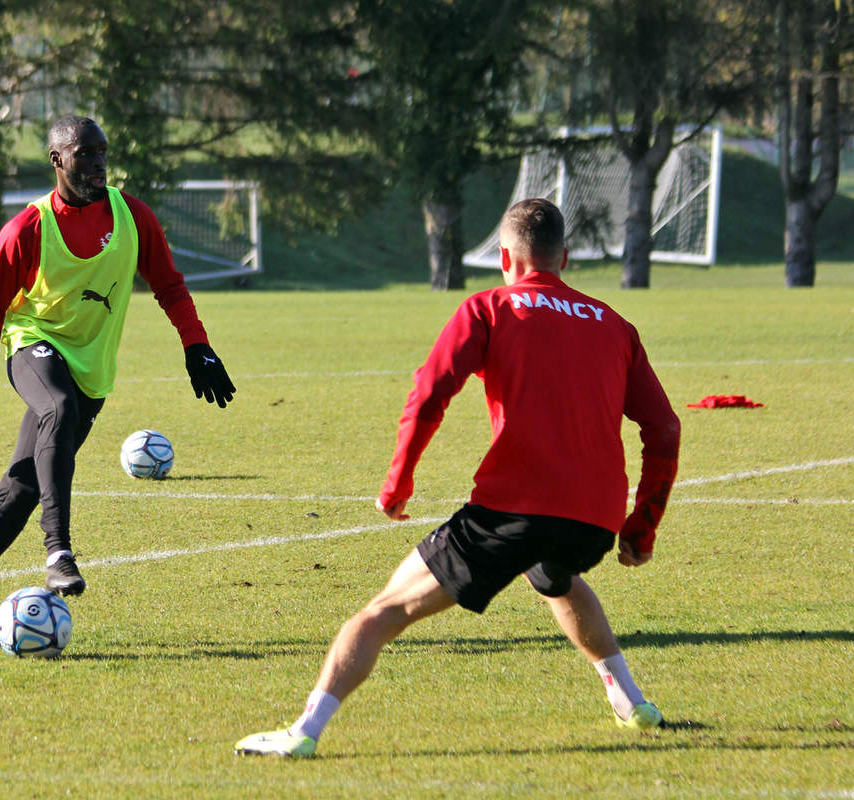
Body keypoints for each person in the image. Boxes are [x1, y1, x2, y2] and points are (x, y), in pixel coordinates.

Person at [235, 198, 679, 757]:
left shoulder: (491, 308)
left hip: (513, 511)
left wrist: (398, 482)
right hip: (592, 524)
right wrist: (642, 528)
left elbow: (429, 393)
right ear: (563, 257)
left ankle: (303, 733)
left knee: (382, 612)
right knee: (551, 575)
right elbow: (663, 429)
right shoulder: (615, 325)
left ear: (504, 259)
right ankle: (631, 701)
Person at [0, 114, 235, 644]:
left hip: (92, 369)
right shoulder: (27, 230)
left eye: (103, 152)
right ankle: (58, 551)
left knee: (18, 495)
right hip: (32, 345)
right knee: (57, 405)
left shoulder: (132, 217)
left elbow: (170, 286)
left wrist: (198, 346)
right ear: (57, 160)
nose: (98, 163)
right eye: (85, 154)